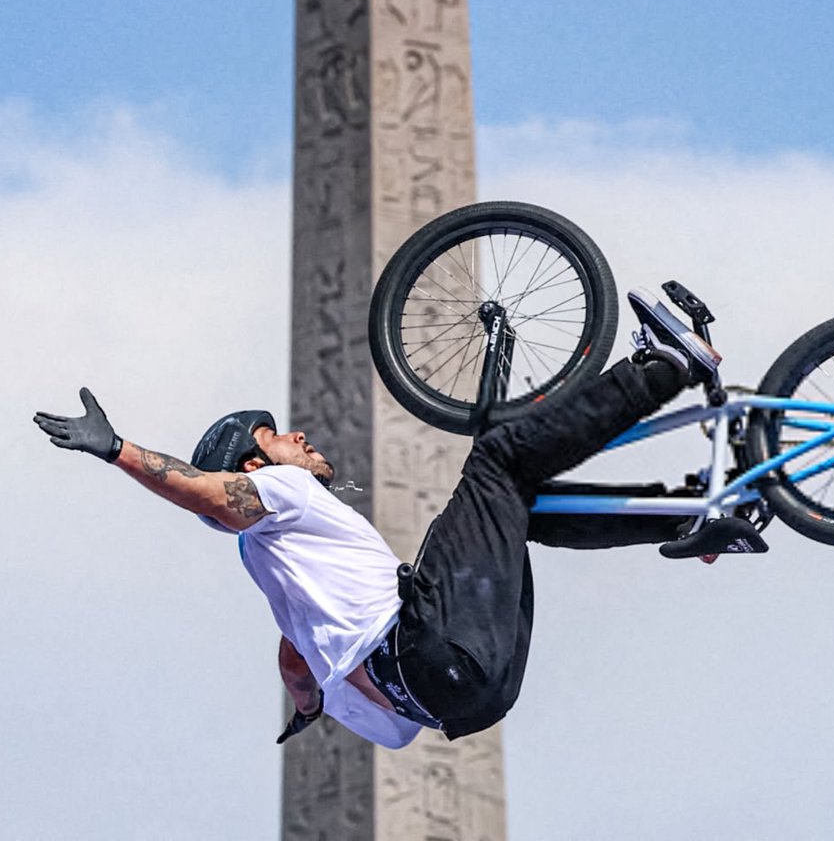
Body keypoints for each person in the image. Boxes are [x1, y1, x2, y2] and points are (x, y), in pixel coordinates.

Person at [32, 289, 720, 749]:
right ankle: (661, 369)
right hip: (433, 650)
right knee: (498, 462)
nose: (297, 436)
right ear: (252, 467)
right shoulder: (283, 495)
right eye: (275, 436)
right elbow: (210, 497)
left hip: (469, 697)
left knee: (516, 509)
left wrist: (307, 709)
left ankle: (688, 514)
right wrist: (118, 449)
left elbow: (293, 661)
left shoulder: (277, 571)